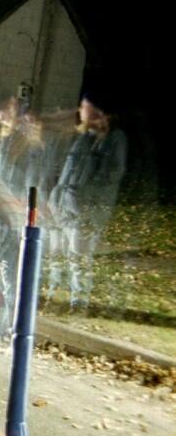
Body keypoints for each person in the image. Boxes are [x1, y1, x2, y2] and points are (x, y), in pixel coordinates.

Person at [46, 93, 127, 311]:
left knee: (78, 257)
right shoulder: (84, 137)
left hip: (84, 211)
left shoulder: (114, 139)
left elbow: (110, 176)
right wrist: (57, 197)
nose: (80, 110)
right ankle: (54, 293)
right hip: (62, 206)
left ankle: (79, 301)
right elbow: (67, 170)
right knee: (57, 252)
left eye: (84, 106)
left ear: (97, 110)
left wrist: (85, 203)